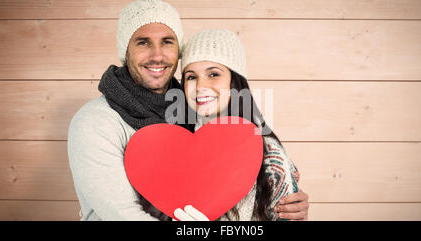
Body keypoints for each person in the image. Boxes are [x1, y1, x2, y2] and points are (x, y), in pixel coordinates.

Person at [68, 0, 308, 221]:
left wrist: (287, 201)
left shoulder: (193, 114)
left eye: (167, 41)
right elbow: (124, 216)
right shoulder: (95, 122)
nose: (157, 55)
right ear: (126, 50)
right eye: (143, 42)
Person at [172, 29, 304, 221]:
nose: (200, 86)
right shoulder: (176, 144)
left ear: (235, 81)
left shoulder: (269, 154)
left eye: (213, 74)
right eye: (191, 77)